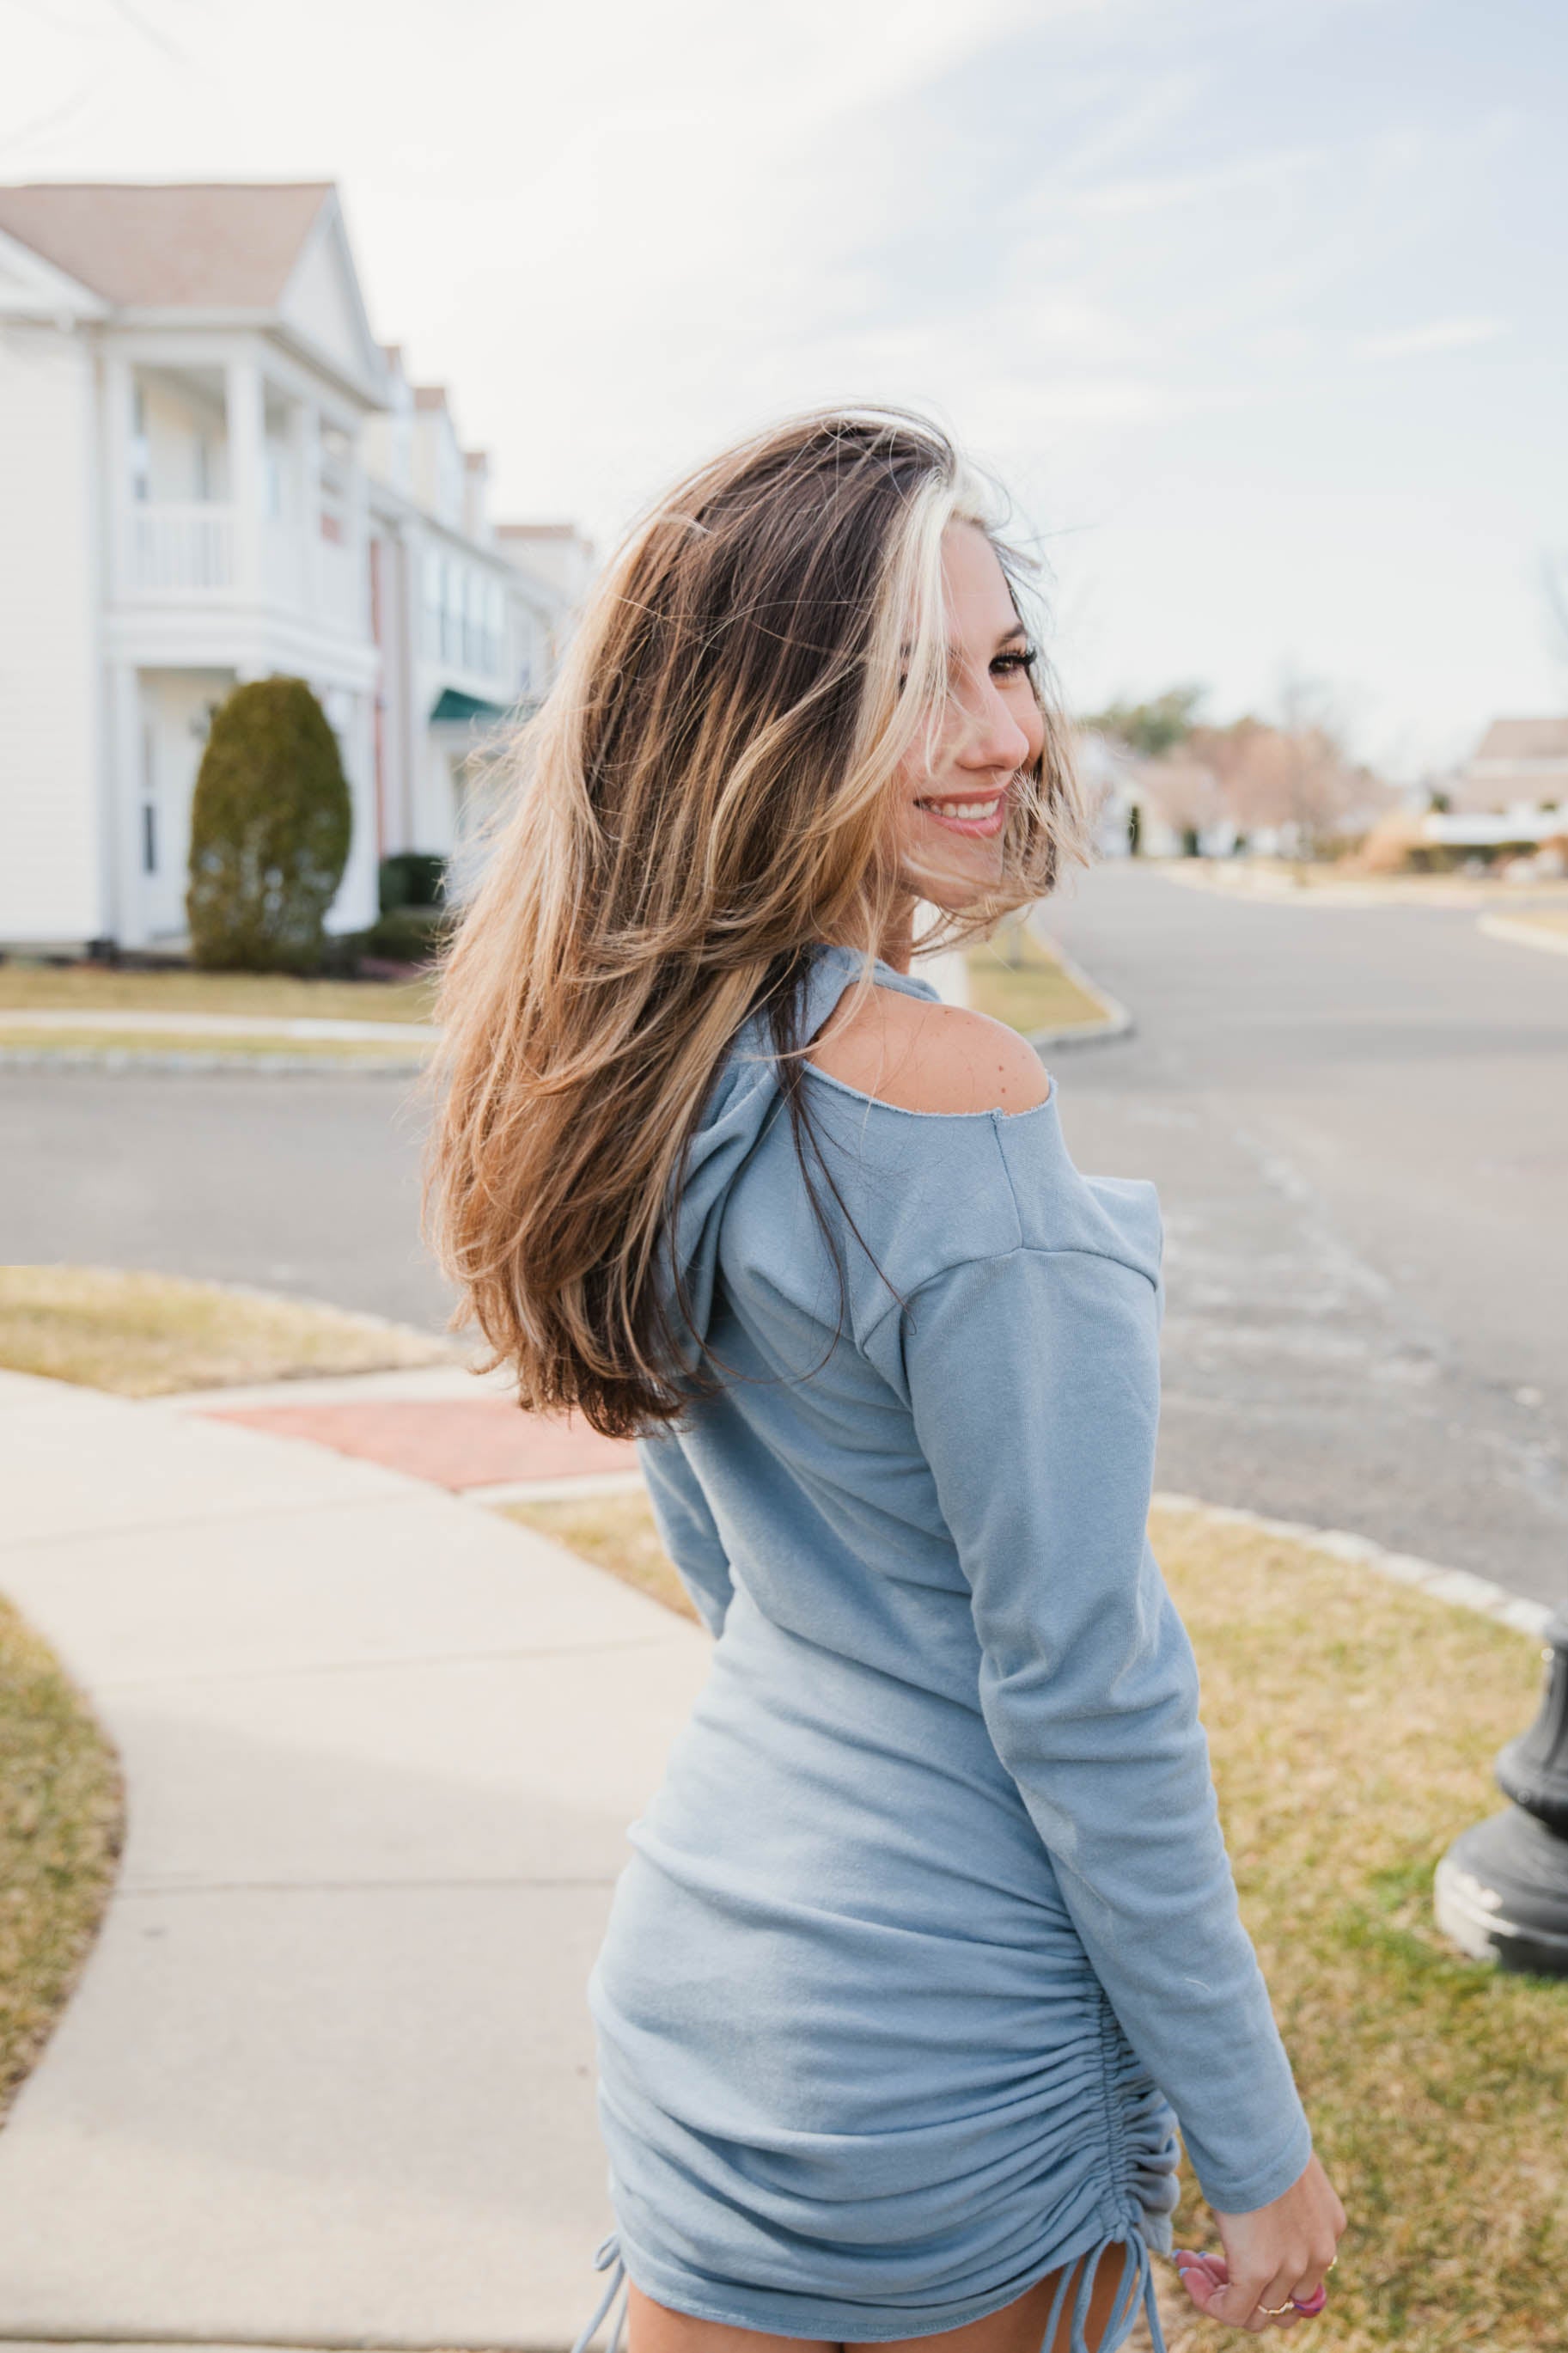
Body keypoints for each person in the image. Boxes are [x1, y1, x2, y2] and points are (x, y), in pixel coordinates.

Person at [424, 408, 1347, 2353]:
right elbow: (1083, 1686)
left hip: (704, 1964)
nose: (1000, 735)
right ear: (762, 721)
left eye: (1005, 662)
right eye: (906, 684)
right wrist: (1257, 2147)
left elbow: (737, 1570)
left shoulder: (647, 1080)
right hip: (946, 2020)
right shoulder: (953, 1098)